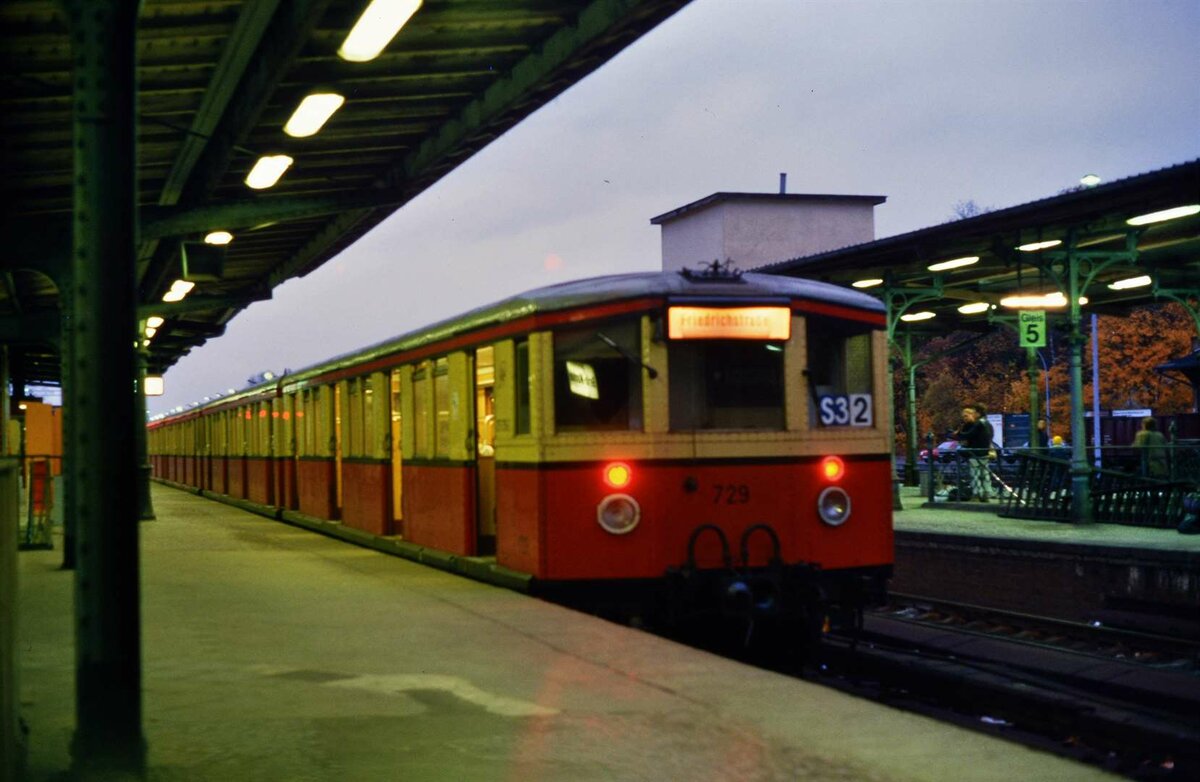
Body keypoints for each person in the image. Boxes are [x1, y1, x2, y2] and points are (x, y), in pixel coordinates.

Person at [953, 403, 992, 502]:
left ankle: (977, 494)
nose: (973, 414)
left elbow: (969, 435)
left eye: (974, 412)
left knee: (975, 473)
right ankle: (987, 493)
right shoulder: (988, 423)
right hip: (985, 452)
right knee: (985, 474)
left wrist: (959, 433)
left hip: (975, 452)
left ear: (978, 413)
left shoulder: (978, 423)